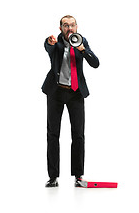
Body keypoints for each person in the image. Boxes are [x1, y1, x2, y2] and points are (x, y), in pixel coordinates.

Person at [41, 15, 100, 187]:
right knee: (53, 134)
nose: (69, 29)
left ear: (77, 27)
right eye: (65, 26)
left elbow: (95, 63)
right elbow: (48, 47)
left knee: (78, 135)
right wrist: (49, 42)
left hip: (76, 93)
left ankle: (78, 176)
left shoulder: (82, 41)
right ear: (60, 28)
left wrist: (83, 49)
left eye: (72, 25)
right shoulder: (55, 43)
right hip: (56, 92)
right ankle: (53, 177)